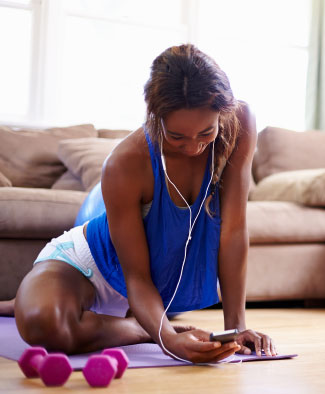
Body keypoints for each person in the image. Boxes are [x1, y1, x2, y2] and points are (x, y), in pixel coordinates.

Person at [0, 44, 275, 363]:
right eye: (177, 137)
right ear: (155, 116)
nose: (193, 147)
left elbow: (233, 229)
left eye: (206, 132)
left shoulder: (240, 122)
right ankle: (137, 327)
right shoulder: (124, 163)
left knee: (47, 314)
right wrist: (166, 338)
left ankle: (19, 304)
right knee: (43, 323)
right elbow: (137, 277)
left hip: (146, 289)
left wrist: (235, 328)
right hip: (90, 265)